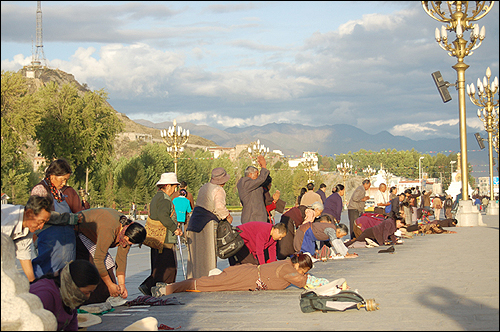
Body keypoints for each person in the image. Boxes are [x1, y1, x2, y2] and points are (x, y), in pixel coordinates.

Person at [151, 253, 314, 296]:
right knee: (204, 284)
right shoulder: (288, 268)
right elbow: (300, 281)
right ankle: (166, 290)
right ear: (298, 265)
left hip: (245, 277)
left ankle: (168, 287)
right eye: (303, 270)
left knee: (209, 282)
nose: (302, 273)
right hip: (244, 277)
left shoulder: (286, 264)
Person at [75, 208, 146, 304]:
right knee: (94, 269)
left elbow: (121, 259)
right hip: (79, 232)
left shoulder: (127, 232)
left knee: (109, 267)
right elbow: (98, 259)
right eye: (130, 242)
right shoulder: (109, 229)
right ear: (125, 236)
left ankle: (105, 295)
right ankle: (90, 301)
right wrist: (109, 285)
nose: (130, 244)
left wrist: (122, 285)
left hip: (96, 237)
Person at [30, 159, 84, 279]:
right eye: (62, 179)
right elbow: (42, 215)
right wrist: (68, 219)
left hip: (66, 247)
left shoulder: (58, 192)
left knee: (66, 278)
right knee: (48, 277)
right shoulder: (40, 190)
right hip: (50, 244)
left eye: (66, 180)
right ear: (52, 176)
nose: (64, 183)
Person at [139, 173, 182, 296]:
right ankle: (157, 288)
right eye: (174, 187)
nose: (175, 190)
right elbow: (163, 216)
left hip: (156, 237)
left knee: (158, 265)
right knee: (168, 266)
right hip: (165, 238)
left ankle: (149, 286)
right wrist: (175, 229)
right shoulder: (164, 199)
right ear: (168, 186)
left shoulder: (157, 197)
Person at [187, 167, 233, 279]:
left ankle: (194, 279)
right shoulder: (218, 190)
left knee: (195, 255)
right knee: (208, 254)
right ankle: (207, 279)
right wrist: (227, 216)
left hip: (194, 222)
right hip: (207, 223)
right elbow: (219, 207)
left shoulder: (204, 187)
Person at [29, 260, 100, 331]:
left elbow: (72, 327)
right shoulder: (44, 296)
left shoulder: (69, 300)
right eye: (86, 292)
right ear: (73, 286)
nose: (87, 297)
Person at [1, 195, 53, 282]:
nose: (41, 227)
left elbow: (24, 255)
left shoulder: (27, 227)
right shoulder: (8, 220)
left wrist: (33, 283)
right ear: (29, 213)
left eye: (45, 222)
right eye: (40, 221)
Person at [237, 155, 270, 224]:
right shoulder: (245, 183)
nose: (258, 177)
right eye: (257, 174)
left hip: (256, 218)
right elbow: (261, 179)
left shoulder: (251, 184)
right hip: (253, 218)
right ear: (251, 174)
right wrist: (263, 166)